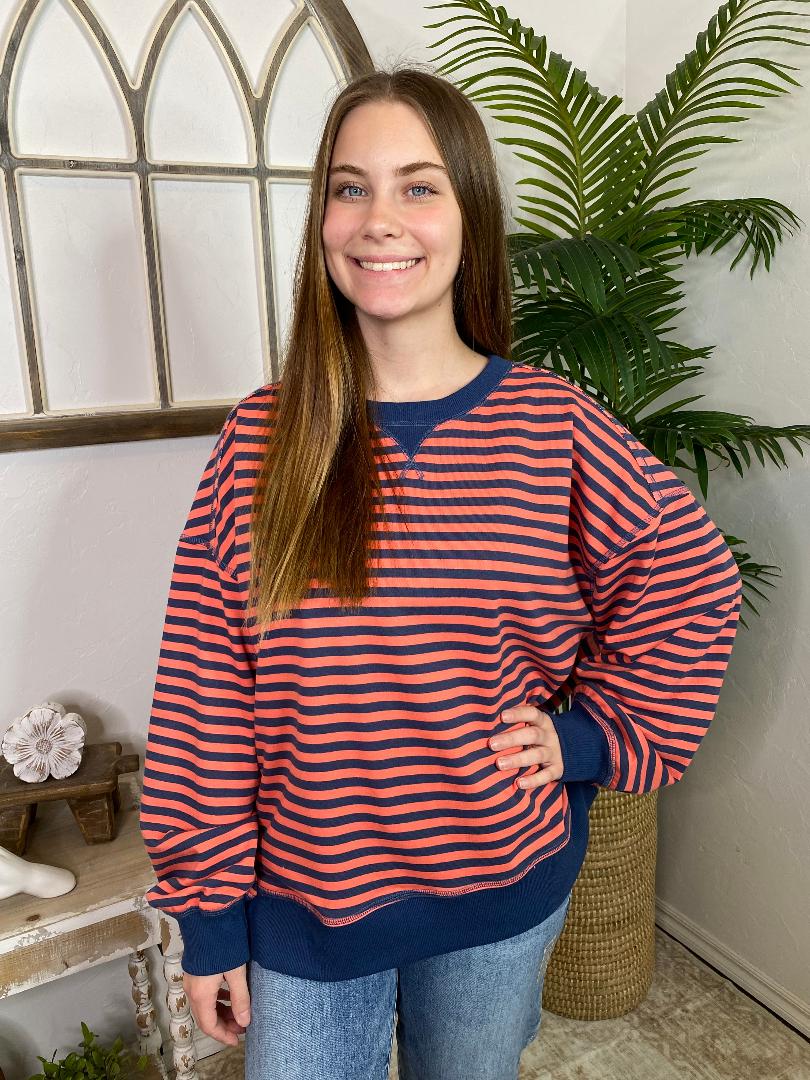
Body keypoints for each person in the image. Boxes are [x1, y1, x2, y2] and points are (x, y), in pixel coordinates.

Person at [139, 66, 743, 1080]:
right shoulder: (263, 438)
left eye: (419, 186)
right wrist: (208, 918)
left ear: (470, 216)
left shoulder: (550, 424)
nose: (380, 220)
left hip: (499, 891)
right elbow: (206, 690)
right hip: (305, 910)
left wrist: (588, 738)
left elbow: (689, 579)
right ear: (321, 217)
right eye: (349, 186)